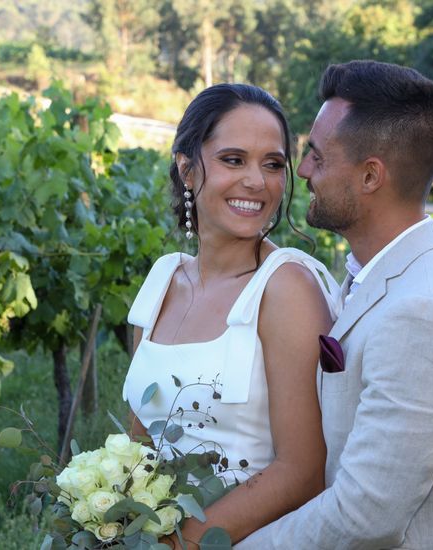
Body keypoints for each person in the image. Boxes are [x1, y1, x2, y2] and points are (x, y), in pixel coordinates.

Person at [236, 61, 433, 549]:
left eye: (317, 156)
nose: (304, 171)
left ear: (371, 175)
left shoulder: (423, 315)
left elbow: (365, 515)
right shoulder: (389, 277)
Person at [120, 83, 342, 546]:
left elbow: (303, 471)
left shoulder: (286, 288)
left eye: (273, 164)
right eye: (233, 160)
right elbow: (139, 440)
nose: (257, 182)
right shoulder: (162, 279)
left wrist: (178, 544)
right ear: (186, 169)